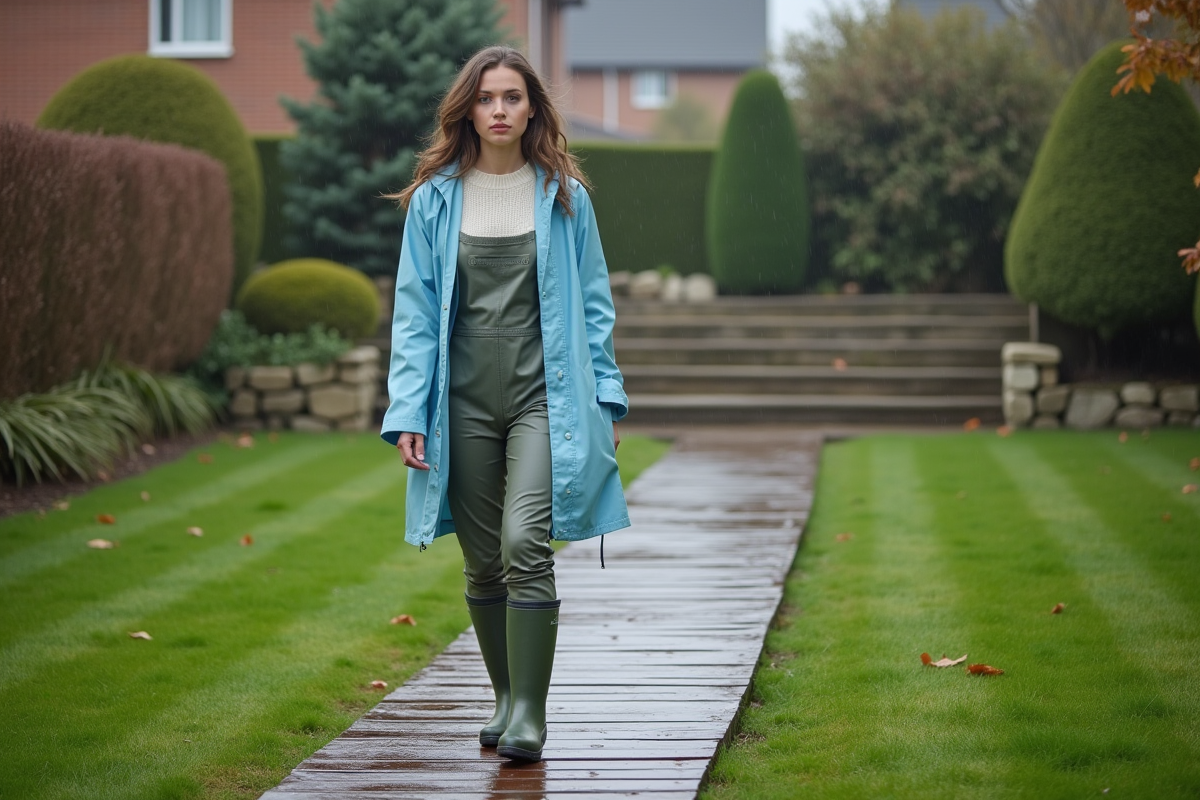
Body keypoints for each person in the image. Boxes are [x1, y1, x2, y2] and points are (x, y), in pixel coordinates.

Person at [379, 45, 630, 763]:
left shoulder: (564, 196)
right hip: (459, 404)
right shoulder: (431, 200)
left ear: (532, 110)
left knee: (526, 544)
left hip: (542, 397)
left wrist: (606, 396)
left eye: (512, 97)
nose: (498, 110)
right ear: (468, 108)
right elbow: (415, 313)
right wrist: (407, 411)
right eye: (486, 98)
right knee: (484, 561)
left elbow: (593, 304)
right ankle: (503, 696)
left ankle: (530, 711)